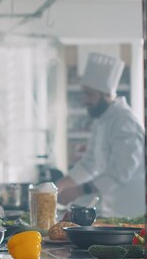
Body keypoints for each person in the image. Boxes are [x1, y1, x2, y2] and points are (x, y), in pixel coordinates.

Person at [56, 52, 145, 217]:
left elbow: (121, 170)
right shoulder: (100, 120)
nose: (84, 100)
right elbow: (89, 163)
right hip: (113, 209)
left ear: (107, 94)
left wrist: (80, 191)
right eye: (84, 93)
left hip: (134, 212)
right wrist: (60, 185)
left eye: (89, 94)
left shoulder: (125, 121)